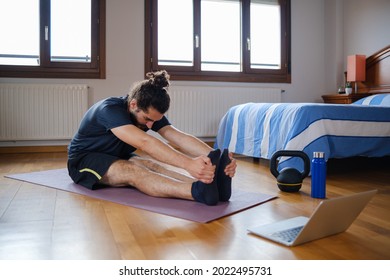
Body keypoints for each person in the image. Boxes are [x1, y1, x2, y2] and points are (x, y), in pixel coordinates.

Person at [67, 70, 237, 206]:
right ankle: (196, 192)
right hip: (84, 161)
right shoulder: (109, 110)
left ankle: (210, 187)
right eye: (147, 119)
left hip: (115, 155)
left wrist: (220, 157)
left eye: (153, 121)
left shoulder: (148, 112)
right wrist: (189, 164)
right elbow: (145, 142)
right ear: (133, 104)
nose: (150, 125)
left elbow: (176, 136)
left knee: (151, 165)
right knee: (134, 172)